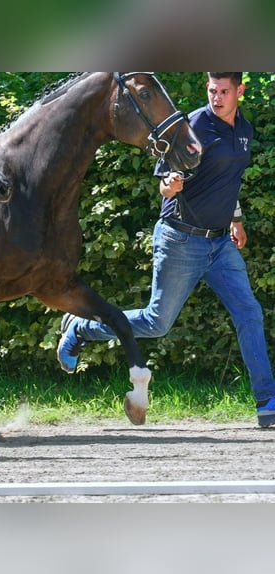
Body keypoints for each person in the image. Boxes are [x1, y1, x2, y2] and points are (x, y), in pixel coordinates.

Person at [56, 72, 275, 428]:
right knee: (157, 322)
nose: (216, 98)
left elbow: (228, 180)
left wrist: (236, 218)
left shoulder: (244, 131)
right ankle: (81, 328)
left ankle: (267, 402)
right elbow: (165, 183)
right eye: (211, 91)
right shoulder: (191, 127)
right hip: (181, 239)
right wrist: (168, 187)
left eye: (223, 91)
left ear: (240, 91)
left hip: (220, 244)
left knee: (249, 313)